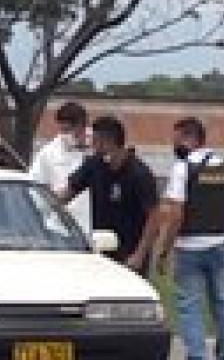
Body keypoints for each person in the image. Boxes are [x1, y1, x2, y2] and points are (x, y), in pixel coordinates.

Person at [138, 117, 224, 360]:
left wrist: (164, 249)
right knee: (223, 303)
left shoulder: (183, 169)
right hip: (220, 244)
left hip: (189, 247)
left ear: (190, 138)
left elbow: (176, 214)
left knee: (190, 305)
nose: (174, 145)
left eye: (176, 139)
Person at [57, 116, 158, 274]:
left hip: (130, 252)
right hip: (101, 250)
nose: (92, 146)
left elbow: (154, 216)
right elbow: (67, 193)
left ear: (108, 142)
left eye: (95, 141)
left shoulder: (139, 173)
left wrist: (139, 255)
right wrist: (46, 205)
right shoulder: (93, 166)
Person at [29, 102, 91, 233]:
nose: (65, 135)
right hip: (60, 228)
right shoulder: (49, 153)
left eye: (69, 130)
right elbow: (35, 189)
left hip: (93, 227)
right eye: (63, 130)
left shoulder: (97, 148)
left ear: (84, 126)